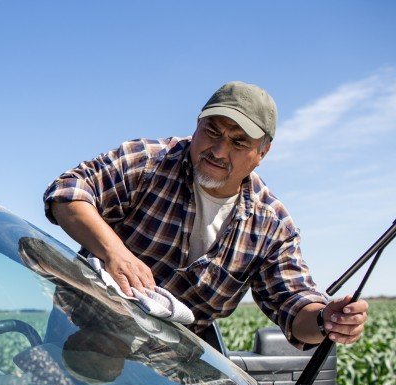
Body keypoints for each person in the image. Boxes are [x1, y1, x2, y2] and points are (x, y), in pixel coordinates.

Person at [43, 81, 368, 350]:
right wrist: (114, 253)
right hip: (83, 332)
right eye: (212, 132)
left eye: (239, 142)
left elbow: (295, 305)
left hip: (173, 357)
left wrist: (327, 320)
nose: (219, 150)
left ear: (262, 153)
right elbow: (68, 193)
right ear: (197, 125)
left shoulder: (271, 225)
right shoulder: (148, 163)